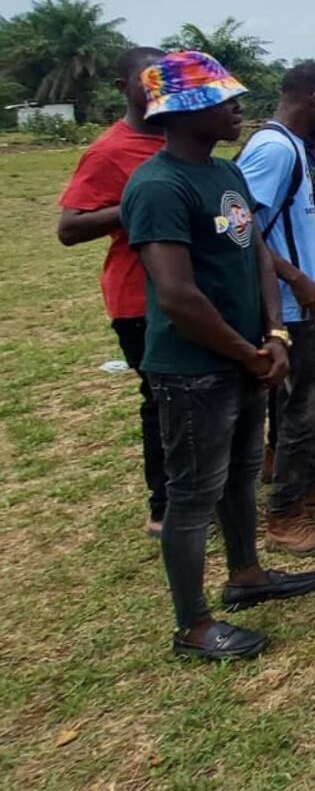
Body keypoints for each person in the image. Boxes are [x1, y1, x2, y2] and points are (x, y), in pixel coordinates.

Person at [120, 50, 315, 660]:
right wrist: (247, 352)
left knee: (238, 475)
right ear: (185, 111)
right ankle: (192, 625)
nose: (238, 108)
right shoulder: (158, 186)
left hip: (247, 355)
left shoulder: (224, 174)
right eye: (224, 100)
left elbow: (256, 252)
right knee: (193, 493)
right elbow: (178, 295)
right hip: (191, 367)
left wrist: (274, 335)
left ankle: (247, 575)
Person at [237, 62, 315, 557]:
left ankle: (312, 487)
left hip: (311, 299)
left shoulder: (298, 147)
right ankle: (284, 515)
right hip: (291, 305)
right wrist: (295, 276)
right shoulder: (273, 150)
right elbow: (238, 227)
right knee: (306, 410)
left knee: (310, 409)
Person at [56, 45, 168, 537]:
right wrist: (137, 203)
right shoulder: (109, 150)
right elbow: (70, 227)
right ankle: (163, 505)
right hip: (140, 299)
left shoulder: (177, 138)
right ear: (124, 88)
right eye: (149, 78)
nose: (160, 87)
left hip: (188, 289)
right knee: (161, 398)